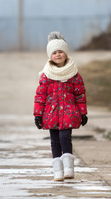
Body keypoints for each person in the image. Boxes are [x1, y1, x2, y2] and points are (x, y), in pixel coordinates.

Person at [33, 31, 88, 181]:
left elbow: (80, 95)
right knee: (55, 141)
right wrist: (38, 115)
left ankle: (69, 168)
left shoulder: (73, 74)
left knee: (65, 137)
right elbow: (40, 96)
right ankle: (58, 171)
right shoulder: (46, 75)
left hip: (69, 113)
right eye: (54, 52)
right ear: (50, 56)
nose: (58, 55)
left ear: (66, 54)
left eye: (61, 52)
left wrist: (83, 113)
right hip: (51, 114)